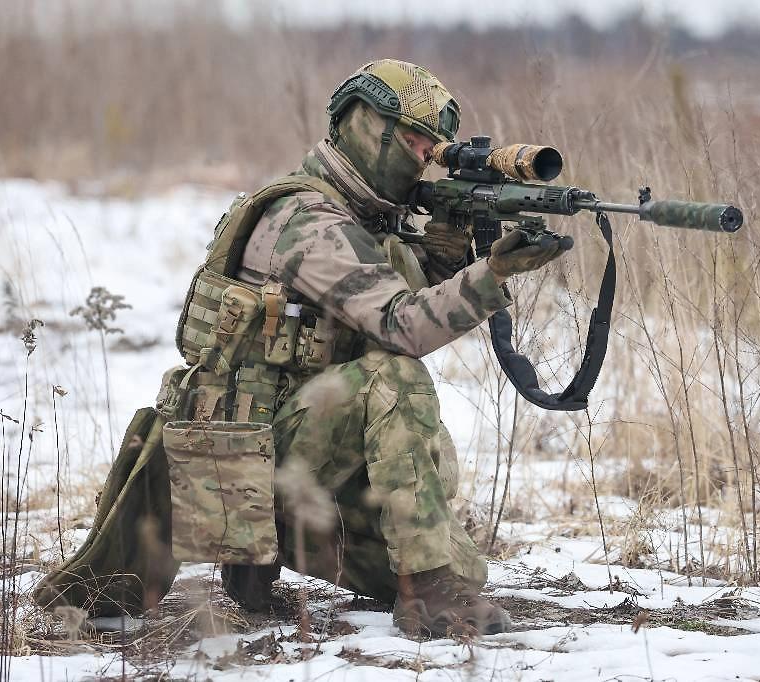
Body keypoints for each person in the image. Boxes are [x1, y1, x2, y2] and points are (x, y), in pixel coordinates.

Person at [35, 58, 568, 639]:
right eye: (415, 142)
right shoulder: (306, 222)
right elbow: (402, 327)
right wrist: (491, 275)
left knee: (467, 563)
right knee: (397, 382)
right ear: (367, 128)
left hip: (301, 454)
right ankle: (423, 597)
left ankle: (267, 547)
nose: (425, 158)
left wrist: (444, 248)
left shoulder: (365, 223)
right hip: (241, 459)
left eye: (434, 147)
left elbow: (389, 311)